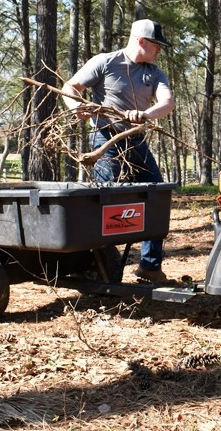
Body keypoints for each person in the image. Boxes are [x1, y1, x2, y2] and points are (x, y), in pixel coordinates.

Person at [60, 19, 175, 284]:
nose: (160, 50)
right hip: (106, 142)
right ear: (142, 41)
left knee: (156, 198)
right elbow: (70, 87)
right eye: (157, 45)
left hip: (137, 142)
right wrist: (76, 107)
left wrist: (145, 114)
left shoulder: (154, 73)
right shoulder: (106, 62)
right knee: (105, 205)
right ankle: (99, 269)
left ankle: (149, 267)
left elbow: (168, 103)